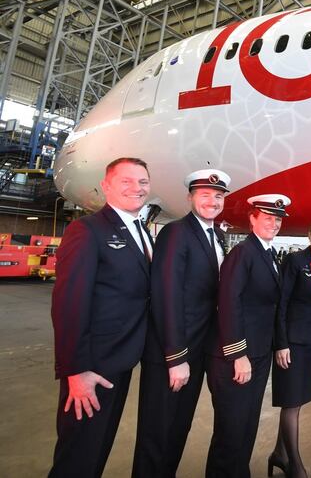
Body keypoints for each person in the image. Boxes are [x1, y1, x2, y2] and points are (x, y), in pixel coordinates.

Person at [49, 157, 152, 477]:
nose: (137, 188)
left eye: (143, 182)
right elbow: (68, 304)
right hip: (92, 366)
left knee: (97, 450)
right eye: (127, 181)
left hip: (121, 360)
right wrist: (76, 371)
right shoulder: (87, 230)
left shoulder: (142, 231)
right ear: (106, 186)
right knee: (77, 458)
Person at [134, 169, 231, 477]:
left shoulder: (215, 236)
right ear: (190, 197)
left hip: (196, 350)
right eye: (205, 195)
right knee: (157, 435)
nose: (212, 202)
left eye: (218, 197)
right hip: (171, 353)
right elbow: (166, 294)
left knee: (178, 430)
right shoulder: (177, 232)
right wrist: (176, 356)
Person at [205, 194, 290, 478]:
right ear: (253, 218)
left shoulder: (266, 252)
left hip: (258, 353)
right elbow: (229, 303)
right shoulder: (243, 253)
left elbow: (270, 305)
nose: (274, 224)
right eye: (268, 218)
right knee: (231, 429)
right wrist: (238, 355)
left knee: (246, 424)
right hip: (238, 357)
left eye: (277, 219)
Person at [270, 218, 311, 478]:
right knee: (291, 402)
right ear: (309, 234)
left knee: (297, 401)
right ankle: (295, 465)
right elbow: (281, 304)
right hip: (292, 343)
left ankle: (279, 454)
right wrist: (281, 344)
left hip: (310, 343)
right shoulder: (295, 262)